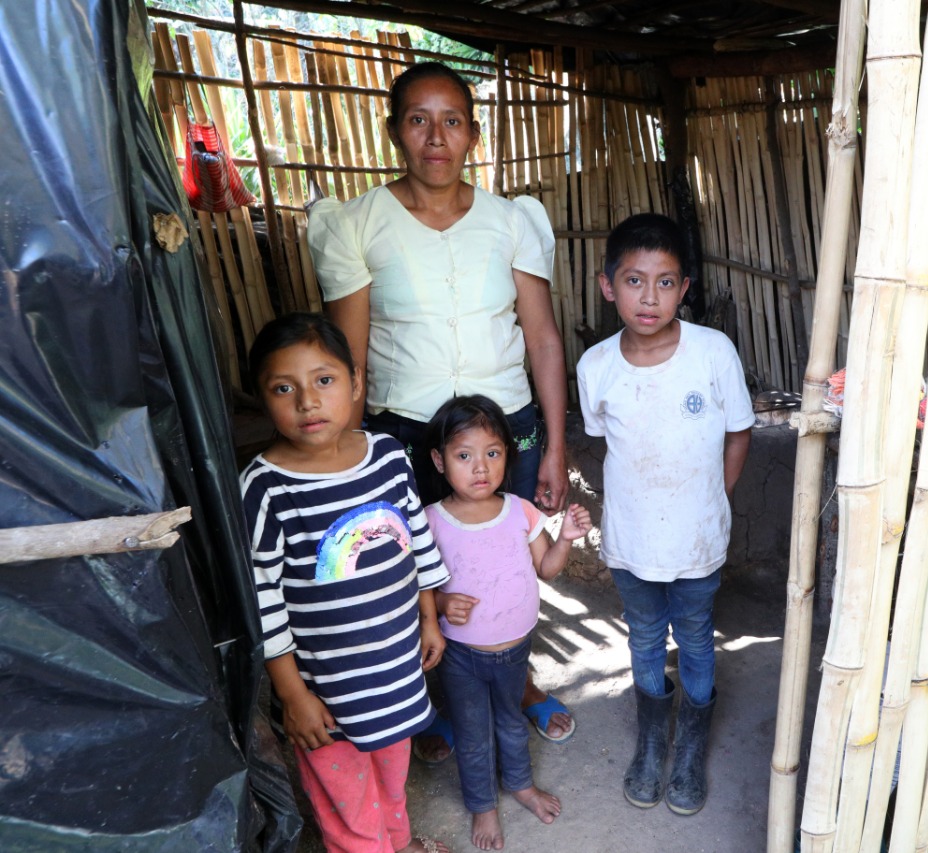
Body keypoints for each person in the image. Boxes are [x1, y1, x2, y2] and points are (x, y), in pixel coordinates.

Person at [306, 60, 575, 751]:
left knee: (508, 559)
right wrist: (348, 460)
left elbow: (543, 338)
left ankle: (517, 681)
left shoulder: (510, 221)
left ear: (472, 133)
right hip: (404, 434)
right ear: (393, 130)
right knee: (419, 572)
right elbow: (350, 360)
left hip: (506, 426)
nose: (435, 137)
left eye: (451, 120)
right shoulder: (359, 224)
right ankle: (428, 698)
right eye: (418, 120)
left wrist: (553, 443)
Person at [239, 313, 451, 853]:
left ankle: (397, 843)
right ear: (262, 400)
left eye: (324, 380)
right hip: (325, 696)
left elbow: (417, 541)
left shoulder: (385, 456)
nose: (308, 401)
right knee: (349, 813)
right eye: (284, 388)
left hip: (396, 672)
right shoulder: (264, 489)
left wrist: (429, 619)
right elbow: (263, 603)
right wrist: (293, 695)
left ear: (356, 381)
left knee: (392, 782)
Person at [575, 213, 754, 815]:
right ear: (608, 287)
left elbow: (737, 434)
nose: (649, 297)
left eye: (666, 282)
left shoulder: (712, 352)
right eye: (633, 281)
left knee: (697, 637)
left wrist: (713, 499)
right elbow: (610, 443)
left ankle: (690, 746)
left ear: (684, 288)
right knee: (645, 638)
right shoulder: (596, 367)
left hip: (699, 539)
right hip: (631, 542)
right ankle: (653, 742)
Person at [423, 394, 592, 850]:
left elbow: (547, 568)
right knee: (474, 733)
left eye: (492, 454)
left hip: (516, 652)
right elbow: (413, 588)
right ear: (439, 461)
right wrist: (439, 603)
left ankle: (520, 785)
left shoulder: (520, 510)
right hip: (461, 656)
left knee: (512, 724)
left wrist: (567, 539)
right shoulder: (431, 522)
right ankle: (482, 806)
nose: (480, 468)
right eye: (464, 456)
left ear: (507, 458)